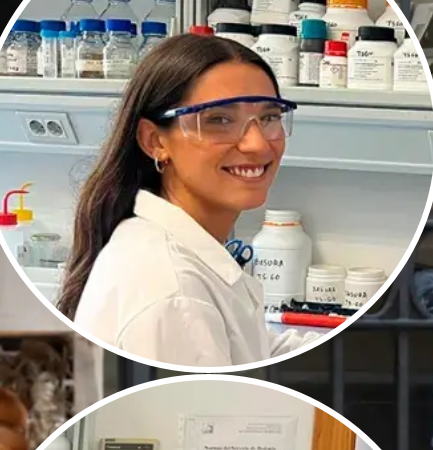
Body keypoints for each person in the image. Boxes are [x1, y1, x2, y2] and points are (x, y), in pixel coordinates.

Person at [55, 34, 321, 368]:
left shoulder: (174, 251)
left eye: (269, 117)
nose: (257, 144)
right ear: (155, 141)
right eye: (219, 120)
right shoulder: (174, 291)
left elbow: (253, 347)